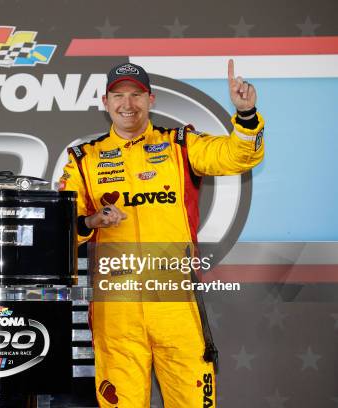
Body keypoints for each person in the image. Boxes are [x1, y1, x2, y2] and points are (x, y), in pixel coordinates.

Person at [59, 60, 264, 407]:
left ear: (151, 100)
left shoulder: (180, 144)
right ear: (105, 102)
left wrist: (245, 115)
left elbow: (237, 156)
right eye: (118, 95)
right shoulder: (83, 159)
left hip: (175, 303)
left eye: (136, 95)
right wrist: (92, 222)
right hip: (116, 309)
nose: (128, 104)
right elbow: (62, 226)